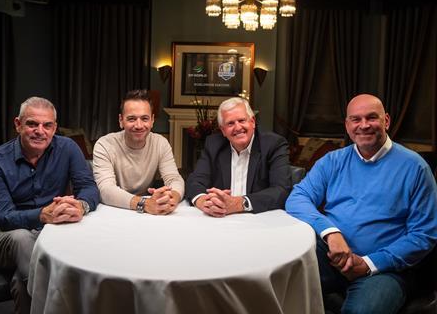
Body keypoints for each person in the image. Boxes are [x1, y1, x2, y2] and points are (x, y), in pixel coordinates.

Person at [286, 94, 437, 313]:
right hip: (332, 256)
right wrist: (331, 232)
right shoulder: (332, 160)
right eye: (356, 119)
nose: (364, 125)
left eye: (371, 118)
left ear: (386, 121)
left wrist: (368, 263)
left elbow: (424, 235)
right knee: (282, 279)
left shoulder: (415, 167)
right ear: (347, 125)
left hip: (385, 270)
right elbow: (298, 197)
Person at [0, 97, 99, 314]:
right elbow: (4, 217)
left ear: (55, 127)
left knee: (20, 282)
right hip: (5, 235)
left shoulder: (68, 148)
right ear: (18, 124)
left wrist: (81, 205)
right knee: (22, 238)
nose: (40, 131)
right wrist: (42, 215)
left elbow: (89, 188)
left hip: (53, 229)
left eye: (47, 125)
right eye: (32, 124)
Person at [185, 97, 292, 217]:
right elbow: (194, 181)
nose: (237, 127)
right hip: (220, 219)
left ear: (252, 122)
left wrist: (239, 203)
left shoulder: (273, 144)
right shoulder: (213, 145)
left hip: (259, 219)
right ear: (223, 130)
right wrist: (204, 201)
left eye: (242, 120)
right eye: (230, 123)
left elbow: (281, 190)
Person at [93, 89, 184, 215]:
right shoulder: (104, 145)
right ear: (121, 120)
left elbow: (174, 178)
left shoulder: (161, 143)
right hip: (115, 209)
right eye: (131, 119)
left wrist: (172, 197)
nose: (139, 125)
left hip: (147, 208)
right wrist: (143, 204)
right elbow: (105, 190)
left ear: (152, 120)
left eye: (145, 118)